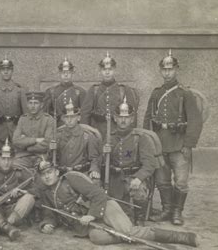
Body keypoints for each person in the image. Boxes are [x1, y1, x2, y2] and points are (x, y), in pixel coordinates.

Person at [36, 159, 198, 248]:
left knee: (128, 230)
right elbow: (50, 213)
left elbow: (98, 194)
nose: (47, 177)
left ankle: (179, 237)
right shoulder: (46, 193)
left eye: (50, 172)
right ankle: (123, 233)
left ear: (57, 172)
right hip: (88, 225)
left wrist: (91, 215)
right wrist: (46, 224)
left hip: (104, 208)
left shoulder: (70, 178)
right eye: (43, 175)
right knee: (96, 238)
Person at [143, 50, 203, 225]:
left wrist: (189, 144)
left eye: (171, 69)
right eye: (164, 69)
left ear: (176, 70)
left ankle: (177, 212)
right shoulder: (156, 93)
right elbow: (148, 118)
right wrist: (147, 143)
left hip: (179, 144)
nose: (167, 72)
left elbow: (195, 121)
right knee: (162, 181)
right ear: (160, 71)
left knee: (181, 181)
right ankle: (166, 210)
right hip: (159, 145)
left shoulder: (185, 93)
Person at [104, 99, 159, 226]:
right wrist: (104, 153)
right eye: (120, 117)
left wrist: (139, 178)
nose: (123, 121)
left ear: (132, 119)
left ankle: (140, 220)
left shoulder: (140, 138)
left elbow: (150, 163)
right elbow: (102, 162)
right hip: (114, 178)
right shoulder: (109, 137)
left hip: (132, 177)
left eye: (127, 117)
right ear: (115, 118)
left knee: (138, 191)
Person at [80, 52, 139, 139]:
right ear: (100, 71)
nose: (107, 72)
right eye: (104, 70)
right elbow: (85, 115)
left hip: (118, 134)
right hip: (97, 133)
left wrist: (128, 136)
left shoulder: (123, 90)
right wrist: (87, 134)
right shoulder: (94, 90)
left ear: (114, 70)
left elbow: (132, 116)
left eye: (110, 69)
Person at [57, 98, 102, 186]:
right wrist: (51, 150)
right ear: (63, 119)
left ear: (78, 118)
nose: (69, 120)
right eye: (66, 117)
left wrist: (94, 170)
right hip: (62, 174)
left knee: (94, 184)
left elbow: (94, 158)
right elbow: (52, 158)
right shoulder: (58, 136)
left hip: (81, 174)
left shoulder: (87, 136)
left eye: (72, 117)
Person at [12, 92, 55, 169]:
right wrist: (36, 140)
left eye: (36, 103)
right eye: (30, 103)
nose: (33, 106)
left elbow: (48, 142)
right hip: (23, 156)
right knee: (14, 168)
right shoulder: (22, 119)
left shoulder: (48, 119)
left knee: (44, 169)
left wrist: (27, 146)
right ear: (27, 105)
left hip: (41, 156)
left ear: (41, 105)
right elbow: (15, 140)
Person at [43, 58, 86, 125]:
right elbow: (46, 114)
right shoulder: (51, 91)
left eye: (68, 72)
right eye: (63, 72)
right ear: (59, 73)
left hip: (74, 126)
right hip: (56, 127)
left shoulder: (80, 91)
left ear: (72, 73)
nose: (66, 75)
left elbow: (84, 114)